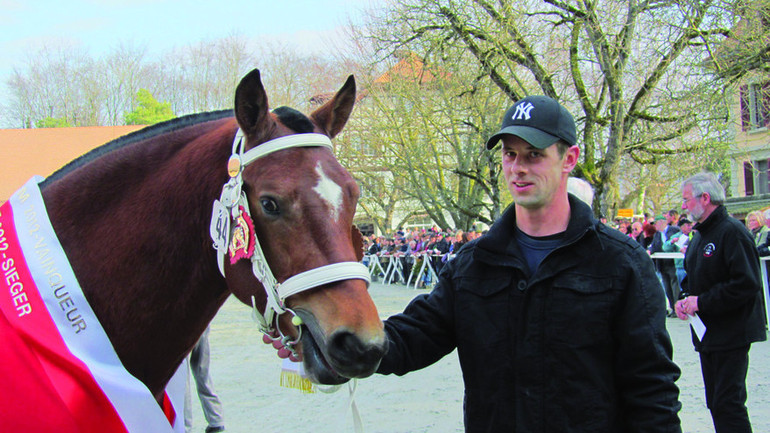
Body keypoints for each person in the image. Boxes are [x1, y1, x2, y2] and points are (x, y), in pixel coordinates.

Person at [376, 95, 681, 432]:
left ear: (569, 159)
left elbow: (652, 388)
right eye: (510, 154)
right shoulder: (472, 265)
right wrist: (334, 343)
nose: (518, 167)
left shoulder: (621, 262)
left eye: (534, 155)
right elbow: (413, 337)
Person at [675, 172, 766, 433]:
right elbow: (691, 280)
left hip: (732, 331)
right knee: (716, 402)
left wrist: (702, 302)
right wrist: (685, 300)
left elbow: (746, 284)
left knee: (729, 403)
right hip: (708, 333)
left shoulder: (732, 232)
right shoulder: (699, 236)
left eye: (686, 199)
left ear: (705, 198)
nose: (684, 206)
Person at [185, 326, 225, 433]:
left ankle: (185, 426)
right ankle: (216, 418)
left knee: (183, 377)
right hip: (201, 321)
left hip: (181, 322)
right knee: (202, 369)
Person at [648, 214, 681, 317]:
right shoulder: (657, 234)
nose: (655, 226)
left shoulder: (674, 230)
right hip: (662, 264)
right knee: (667, 287)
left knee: (674, 285)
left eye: (656, 224)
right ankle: (672, 308)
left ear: (662, 222)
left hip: (672, 263)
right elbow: (654, 246)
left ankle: (677, 308)